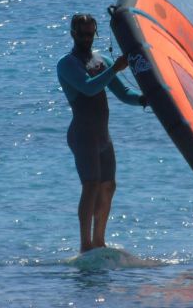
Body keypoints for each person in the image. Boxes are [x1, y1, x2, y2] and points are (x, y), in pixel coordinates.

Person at [57, 13, 146, 253]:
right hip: (83, 134)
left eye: (90, 33)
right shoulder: (67, 64)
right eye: (81, 34)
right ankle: (85, 245)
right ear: (73, 33)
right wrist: (115, 68)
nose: (86, 38)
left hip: (103, 136)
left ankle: (99, 240)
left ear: (95, 33)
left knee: (108, 185)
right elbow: (88, 88)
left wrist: (146, 100)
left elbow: (124, 93)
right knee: (91, 184)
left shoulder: (102, 60)